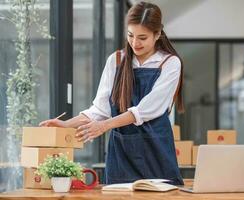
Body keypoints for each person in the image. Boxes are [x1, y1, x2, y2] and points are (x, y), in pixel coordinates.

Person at [39, 1, 184, 185]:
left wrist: (105, 126)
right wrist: (67, 124)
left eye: (142, 37)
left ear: (157, 35)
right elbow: (100, 110)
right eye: (130, 35)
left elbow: (147, 109)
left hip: (157, 150)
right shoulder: (115, 61)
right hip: (122, 154)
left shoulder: (169, 63)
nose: (134, 43)